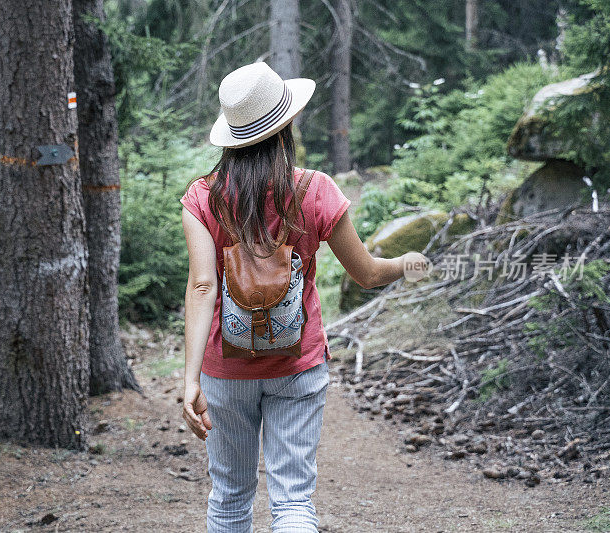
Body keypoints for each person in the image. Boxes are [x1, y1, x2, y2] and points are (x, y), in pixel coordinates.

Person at [179, 61, 430, 533]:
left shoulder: (202, 197)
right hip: (298, 365)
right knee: (292, 500)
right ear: (286, 125)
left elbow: (201, 286)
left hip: (224, 370)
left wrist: (191, 379)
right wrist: (407, 264)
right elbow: (368, 274)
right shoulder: (314, 191)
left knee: (230, 498)